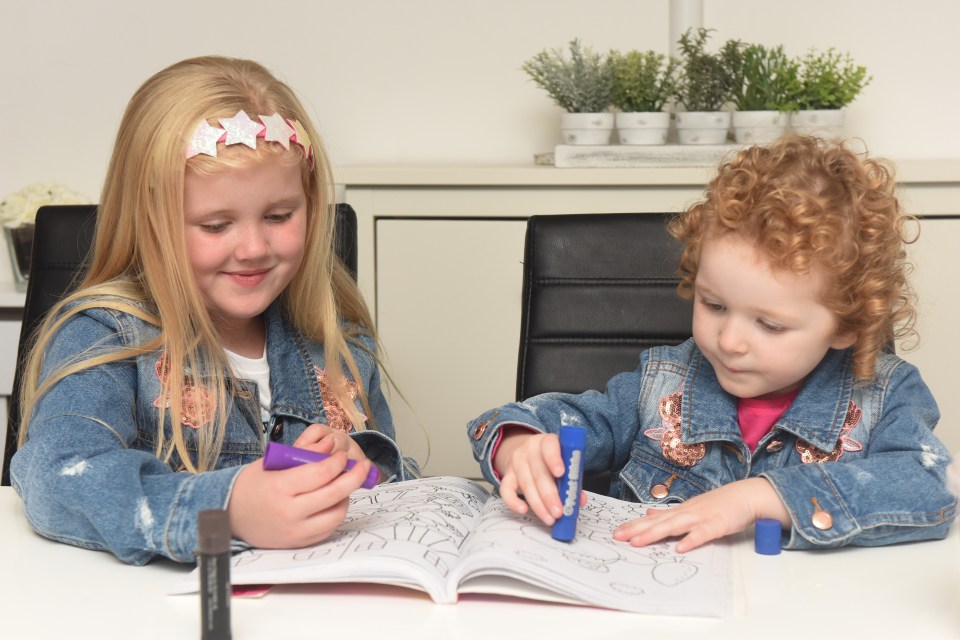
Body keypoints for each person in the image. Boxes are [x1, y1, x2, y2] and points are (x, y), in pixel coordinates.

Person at [11, 56, 420, 565]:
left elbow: (400, 490)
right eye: (214, 225)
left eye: (278, 215)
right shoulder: (104, 335)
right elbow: (57, 480)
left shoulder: (340, 341)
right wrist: (225, 511)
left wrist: (364, 470)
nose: (252, 248)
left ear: (311, 207)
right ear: (150, 222)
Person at [468, 135, 956, 552]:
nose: (729, 341)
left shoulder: (888, 394)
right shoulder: (663, 381)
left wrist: (760, 498)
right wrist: (519, 442)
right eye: (714, 305)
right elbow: (573, 419)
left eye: (770, 324)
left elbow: (927, 489)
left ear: (847, 325)